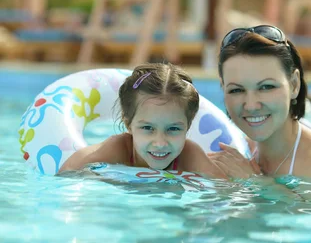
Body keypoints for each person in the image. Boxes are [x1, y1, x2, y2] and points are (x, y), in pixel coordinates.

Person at [209, 26, 311, 184]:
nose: (251, 105)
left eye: (266, 87)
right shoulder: (239, 150)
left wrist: (253, 180)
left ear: (294, 84)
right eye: (236, 90)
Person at [59, 63, 224, 179]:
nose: (160, 143)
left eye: (173, 129)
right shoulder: (118, 149)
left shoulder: (189, 155)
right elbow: (69, 171)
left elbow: (225, 190)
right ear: (128, 123)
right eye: (148, 128)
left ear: (188, 126)